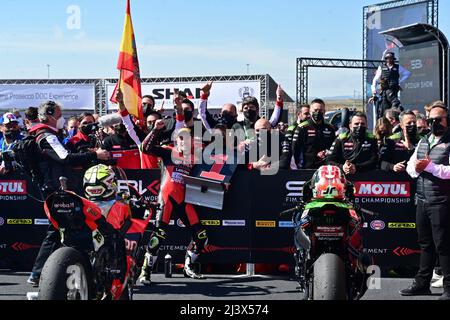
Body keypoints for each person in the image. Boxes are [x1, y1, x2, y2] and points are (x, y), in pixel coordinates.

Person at [26, 101, 110, 286]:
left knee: (60, 230)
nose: (61, 117)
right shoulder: (46, 135)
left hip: (57, 188)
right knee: (56, 231)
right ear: (49, 115)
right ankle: (38, 273)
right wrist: (95, 155)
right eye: (59, 113)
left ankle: (45, 272)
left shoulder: (48, 134)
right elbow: (65, 158)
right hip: (55, 190)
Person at [138, 119, 208, 284]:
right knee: (158, 237)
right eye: (181, 138)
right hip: (167, 199)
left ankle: (188, 267)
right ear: (176, 140)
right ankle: (145, 272)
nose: (184, 141)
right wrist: (155, 130)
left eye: (187, 138)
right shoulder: (168, 151)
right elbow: (145, 148)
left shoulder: (197, 155)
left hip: (185, 199)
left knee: (201, 237)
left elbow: (221, 159)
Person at [401, 102, 450, 300]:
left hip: (442, 201)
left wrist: (430, 168)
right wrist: (418, 168)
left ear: (447, 120)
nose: (434, 123)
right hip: (421, 199)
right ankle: (422, 284)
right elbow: (410, 168)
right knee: (425, 244)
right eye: (431, 120)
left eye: (439, 119)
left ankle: (449, 287)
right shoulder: (423, 141)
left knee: (444, 246)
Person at [292, 98, 336, 169]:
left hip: (326, 167)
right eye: (315, 110)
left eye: (320, 110)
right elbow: (295, 149)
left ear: (324, 112)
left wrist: (326, 151)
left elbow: (334, 148)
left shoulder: (330, 128)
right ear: (310, 111)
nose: (318, 112)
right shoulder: (302, 127)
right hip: (307, 167)